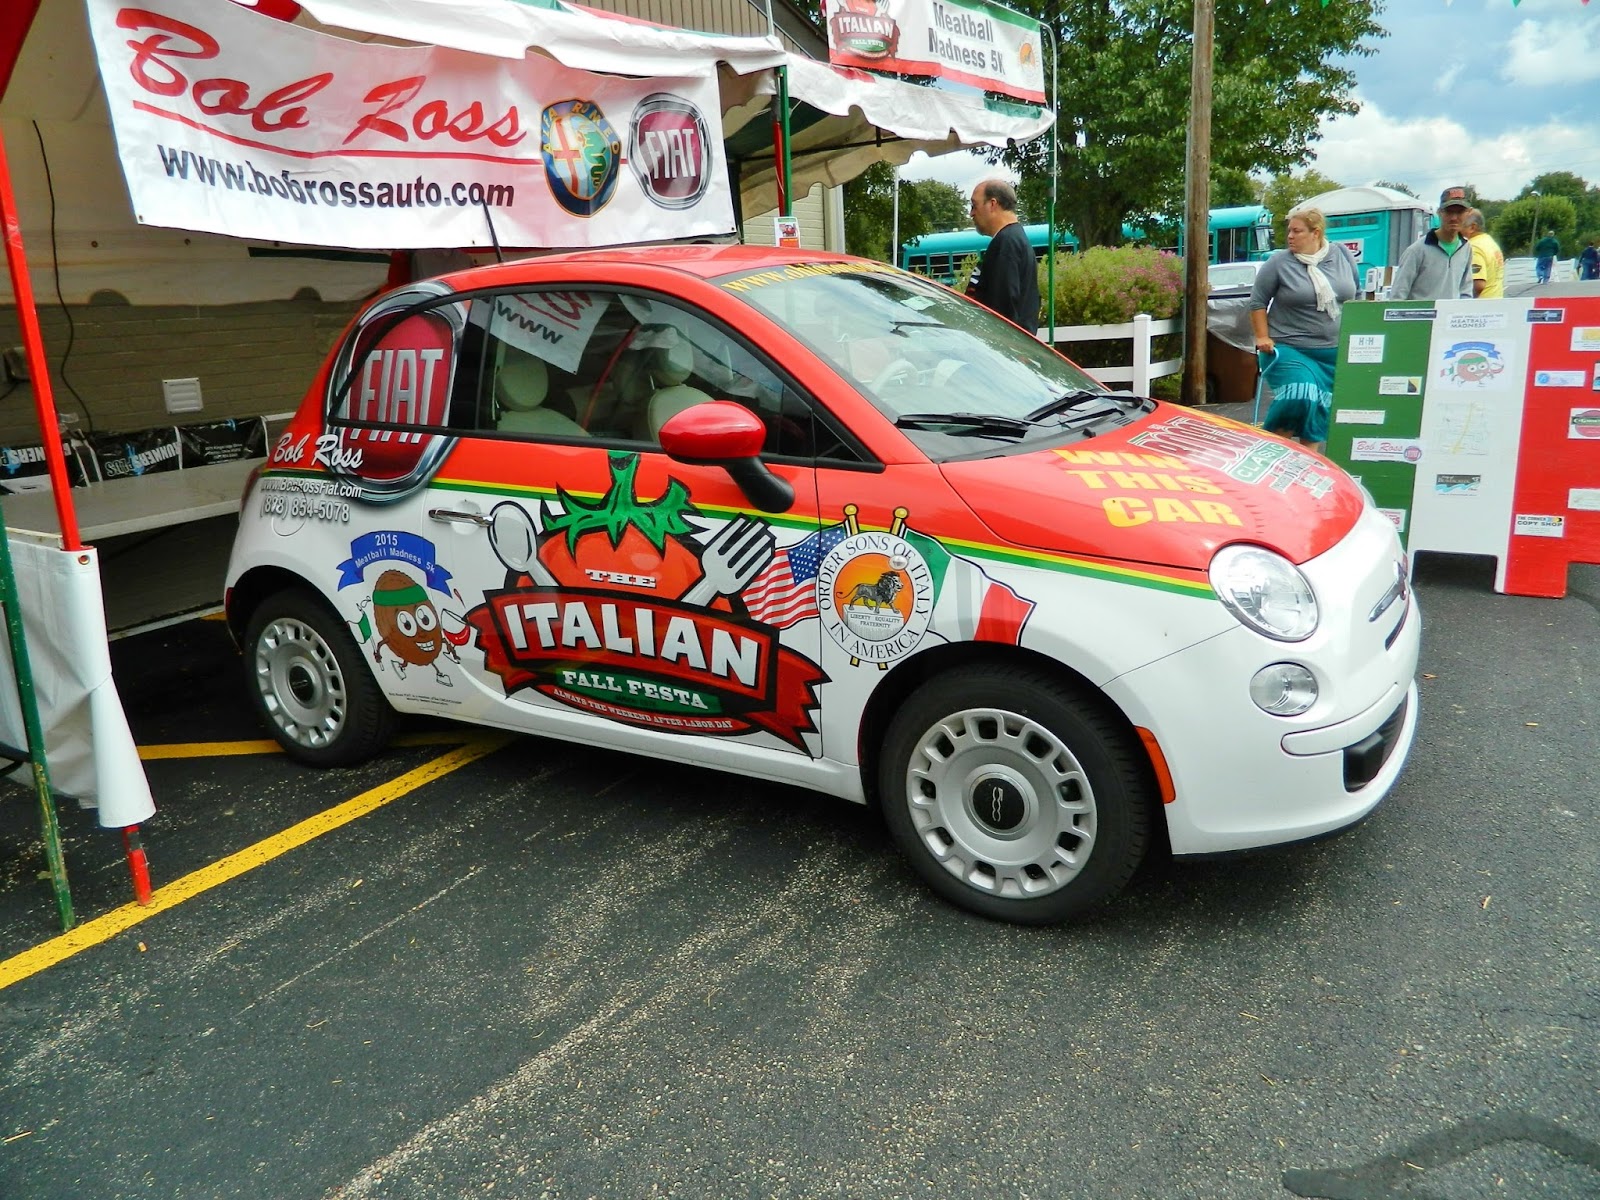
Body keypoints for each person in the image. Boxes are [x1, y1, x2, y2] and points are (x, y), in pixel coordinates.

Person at [1248, 208, 1360, 451]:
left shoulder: (1342, 255)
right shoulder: (1279, 262)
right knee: (1299, 394)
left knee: (1318, 407)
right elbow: (1257, 302)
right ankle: (1271, 450)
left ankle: (1308, 462)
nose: (1290, 236)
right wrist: (1262, 336)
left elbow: (1356, 295)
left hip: (1331, 351)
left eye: (1296, 231)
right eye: (1289, 231)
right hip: (1288, 348)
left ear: (1315, 233)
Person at [965, 178, 1041, 334]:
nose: (971, 213)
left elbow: (1001, 312)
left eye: (974, 205)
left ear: (992, 204)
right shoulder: (1012, 239)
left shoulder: (1007, 243)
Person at [1388, 187, 1474, 301]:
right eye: (1449, 211)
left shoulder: (1466, 248)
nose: (1454, 217)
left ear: (1468, 213)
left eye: (1459, 212)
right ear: (1439, 212)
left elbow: (1466, 291)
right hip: (1422, 313)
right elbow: (1397, 296)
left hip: (1451, 312)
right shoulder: (1416, 251)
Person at [1461, 208, 1504, 299]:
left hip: (1481, 304)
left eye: (1461, 225)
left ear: (1472, 227)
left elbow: (1478, 284)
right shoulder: (1490, 242)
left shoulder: (1474, 247)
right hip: (1496, 300)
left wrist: (1463, 301)